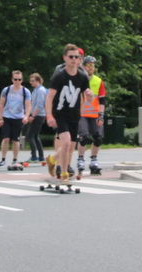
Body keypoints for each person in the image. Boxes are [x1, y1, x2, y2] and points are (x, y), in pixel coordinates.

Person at [46, 45, 92, 185]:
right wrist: (49, 116)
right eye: (71, 56)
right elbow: (50, 97)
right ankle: (64, 174)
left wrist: (89, 97)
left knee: (71, 145)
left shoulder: (83, 76)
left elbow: (86, 97)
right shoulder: (59, 76)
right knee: (65, 142)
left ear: (80, 59)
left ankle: (52, 159)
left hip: (74, 114)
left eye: (76, 57)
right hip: (60, 113)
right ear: (65, 58)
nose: (74, 59)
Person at [78, 56, 107, 173]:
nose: (91, 68)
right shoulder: (79, 80)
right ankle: (80, 159)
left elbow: (102, 101)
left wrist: (101, 115)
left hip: (95, 114)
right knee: (84, 136)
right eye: (88, 65)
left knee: (98, 137)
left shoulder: (98, 81)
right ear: (84, 66)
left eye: (93, 65)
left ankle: (94, 160)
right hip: (82, 114)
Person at [0, 69, 30, 169]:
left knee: (16, 140)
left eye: (19, 79)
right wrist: (0, 118)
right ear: (12, 79)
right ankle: (3, 159)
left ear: (22, 80)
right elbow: (1, 103)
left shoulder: (25, 91)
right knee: (6, 138)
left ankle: (15, 159)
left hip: (18, 117)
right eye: (15, 79)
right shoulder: (6, 90)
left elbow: (28, 105)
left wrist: (26, 116)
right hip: (7, 116)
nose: (17, 81)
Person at [26, 73, 48, 163]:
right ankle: (41, 156)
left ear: (38, 81)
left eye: (33, 81)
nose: (31, 82)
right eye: (30, 81)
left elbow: (40, 105)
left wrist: (33, 116)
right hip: (36, 114)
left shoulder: (41, 90)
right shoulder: (35, 90)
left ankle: (34, 156)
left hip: (38, 115)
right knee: (35, 136)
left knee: (29, 136)